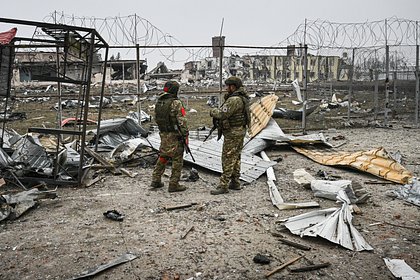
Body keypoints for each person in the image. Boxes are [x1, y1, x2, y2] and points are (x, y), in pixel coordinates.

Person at [209, 76, 250, 195]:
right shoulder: (242, 98)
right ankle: (235, 182)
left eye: (228, 86)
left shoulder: (234, 99)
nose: (226, 88)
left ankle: (223, 185)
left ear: (233, 87)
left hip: (233, 132)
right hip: (239, 131)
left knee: (227, 158)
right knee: (236, 157)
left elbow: (222, 114)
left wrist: (213, 111)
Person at [150, 81, 189, 192]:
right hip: (175, 135)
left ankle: (156, 179)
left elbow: (156, 118)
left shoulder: (159, 102)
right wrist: (185, 134)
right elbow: (182, 121)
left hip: (164, 133)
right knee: (177, 159)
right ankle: (173, 184)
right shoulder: (176, 103)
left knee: (163, 155)